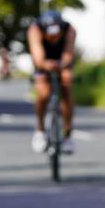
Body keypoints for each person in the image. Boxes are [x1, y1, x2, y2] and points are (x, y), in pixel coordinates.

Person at [27, 11, 77, 155]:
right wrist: (46, 65)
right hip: (43, 62)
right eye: (50, 34)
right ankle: (40, 130)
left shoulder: (69, 30)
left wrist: (62, 65)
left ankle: (67, 135)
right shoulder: (35, 29)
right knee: (43, 93)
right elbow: (38, 58)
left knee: (67, 85)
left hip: (62, 62)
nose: (54, 38)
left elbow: (68, 53)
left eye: (57, 34)